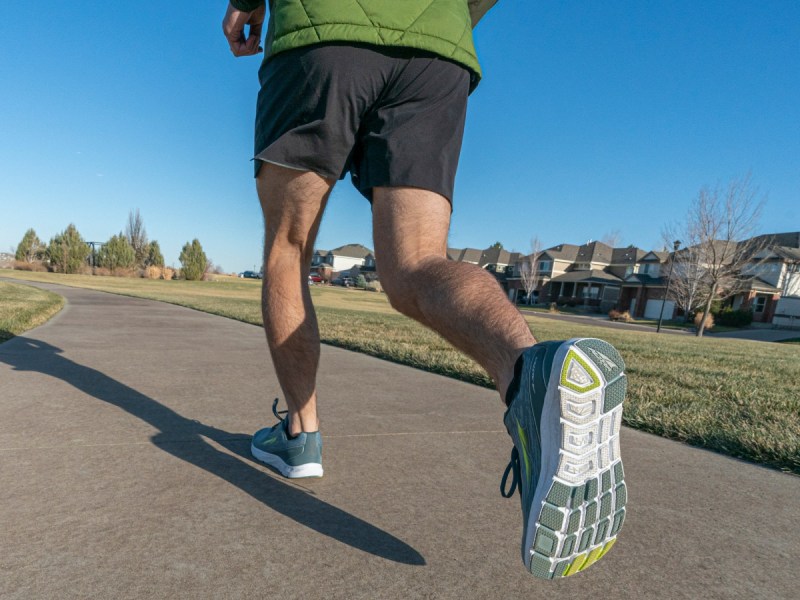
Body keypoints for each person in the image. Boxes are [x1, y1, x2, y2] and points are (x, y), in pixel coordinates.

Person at [222, 0, 627, 579]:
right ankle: (530, 372)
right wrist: (443, 19)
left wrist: (244, 3)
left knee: (288, 248)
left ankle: (299, 436)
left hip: (322, 30)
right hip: (437, 49)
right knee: (416, 263)